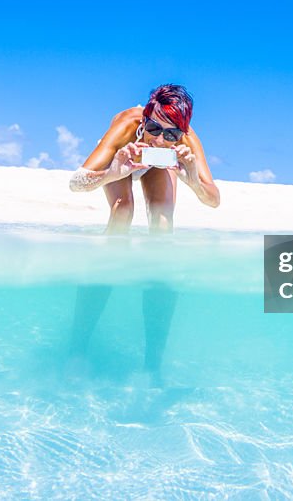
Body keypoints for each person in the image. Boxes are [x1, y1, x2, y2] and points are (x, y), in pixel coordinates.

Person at [66, 84, 220, 382]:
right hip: (122, 159)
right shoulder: (128, 124)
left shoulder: (186, 140)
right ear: (146, 119)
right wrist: (115, 172)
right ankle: (78, 348)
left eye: (171, 134)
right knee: (122, 212)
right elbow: (76, 182)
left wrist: (193, 181)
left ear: (182, 132)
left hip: (161, 169)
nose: (160, 140)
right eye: (153, 128)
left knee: (163, 231)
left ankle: (152, 365)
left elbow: (213, 199)